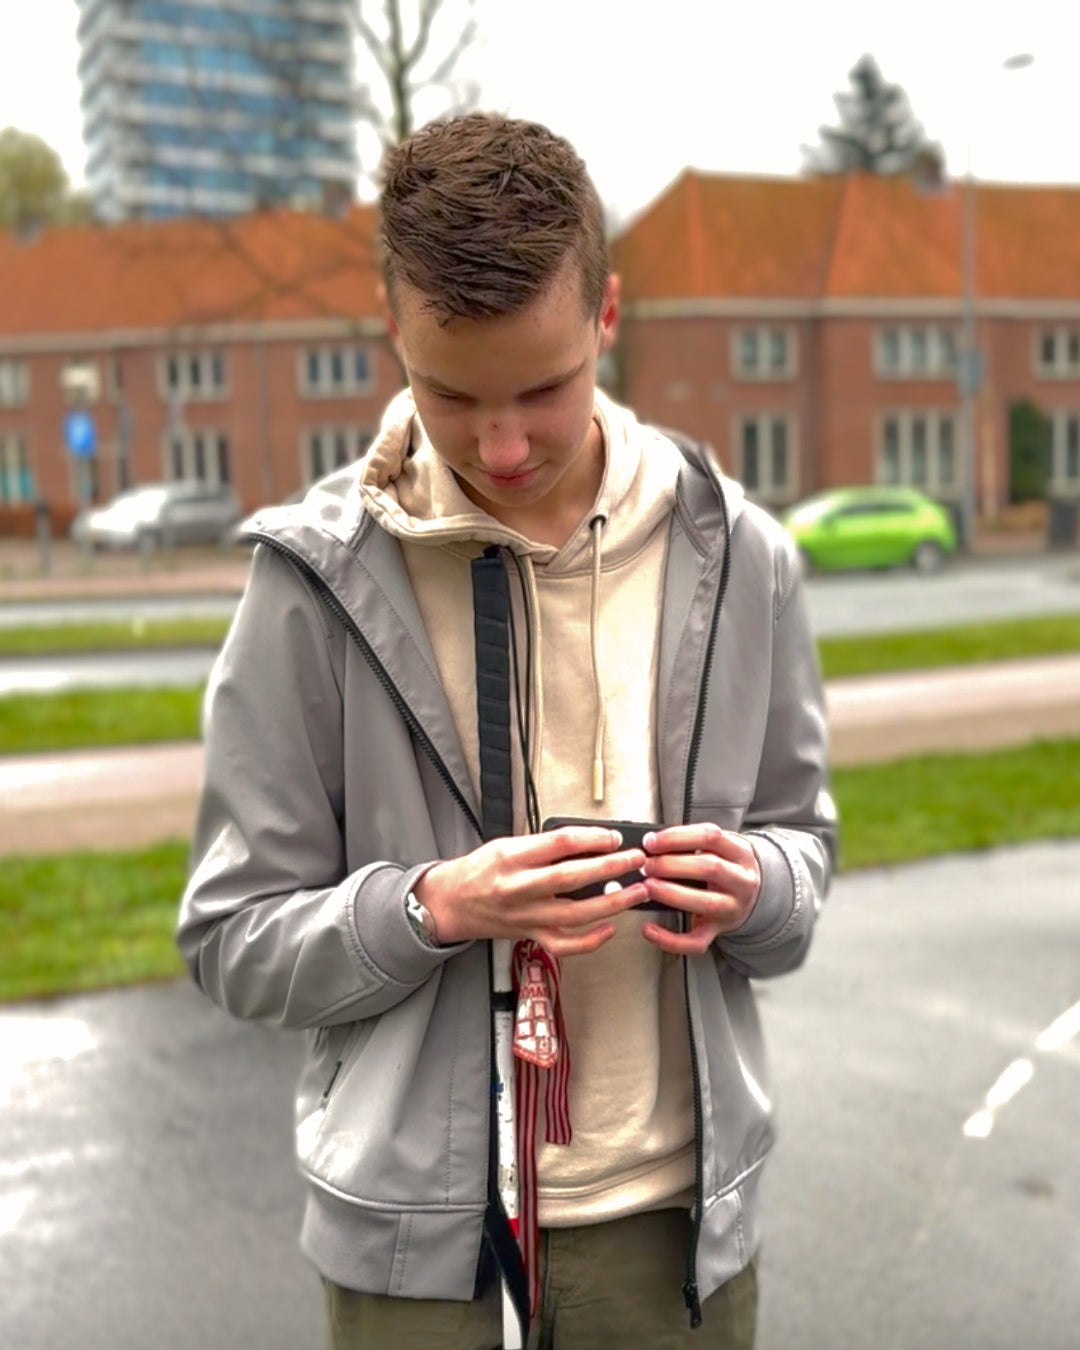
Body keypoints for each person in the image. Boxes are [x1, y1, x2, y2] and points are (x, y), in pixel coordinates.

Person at [177, 112, 836, 1350]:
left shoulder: (742, 556)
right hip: (417, 1261)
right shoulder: (312, 584)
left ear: (609, 315)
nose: (503, 443)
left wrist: (758, 886)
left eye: (544, 389)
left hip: (674, 1232)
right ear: (392, 332)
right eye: (451, 394)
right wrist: (433, 908)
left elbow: (805, 856)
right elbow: (232, 938)